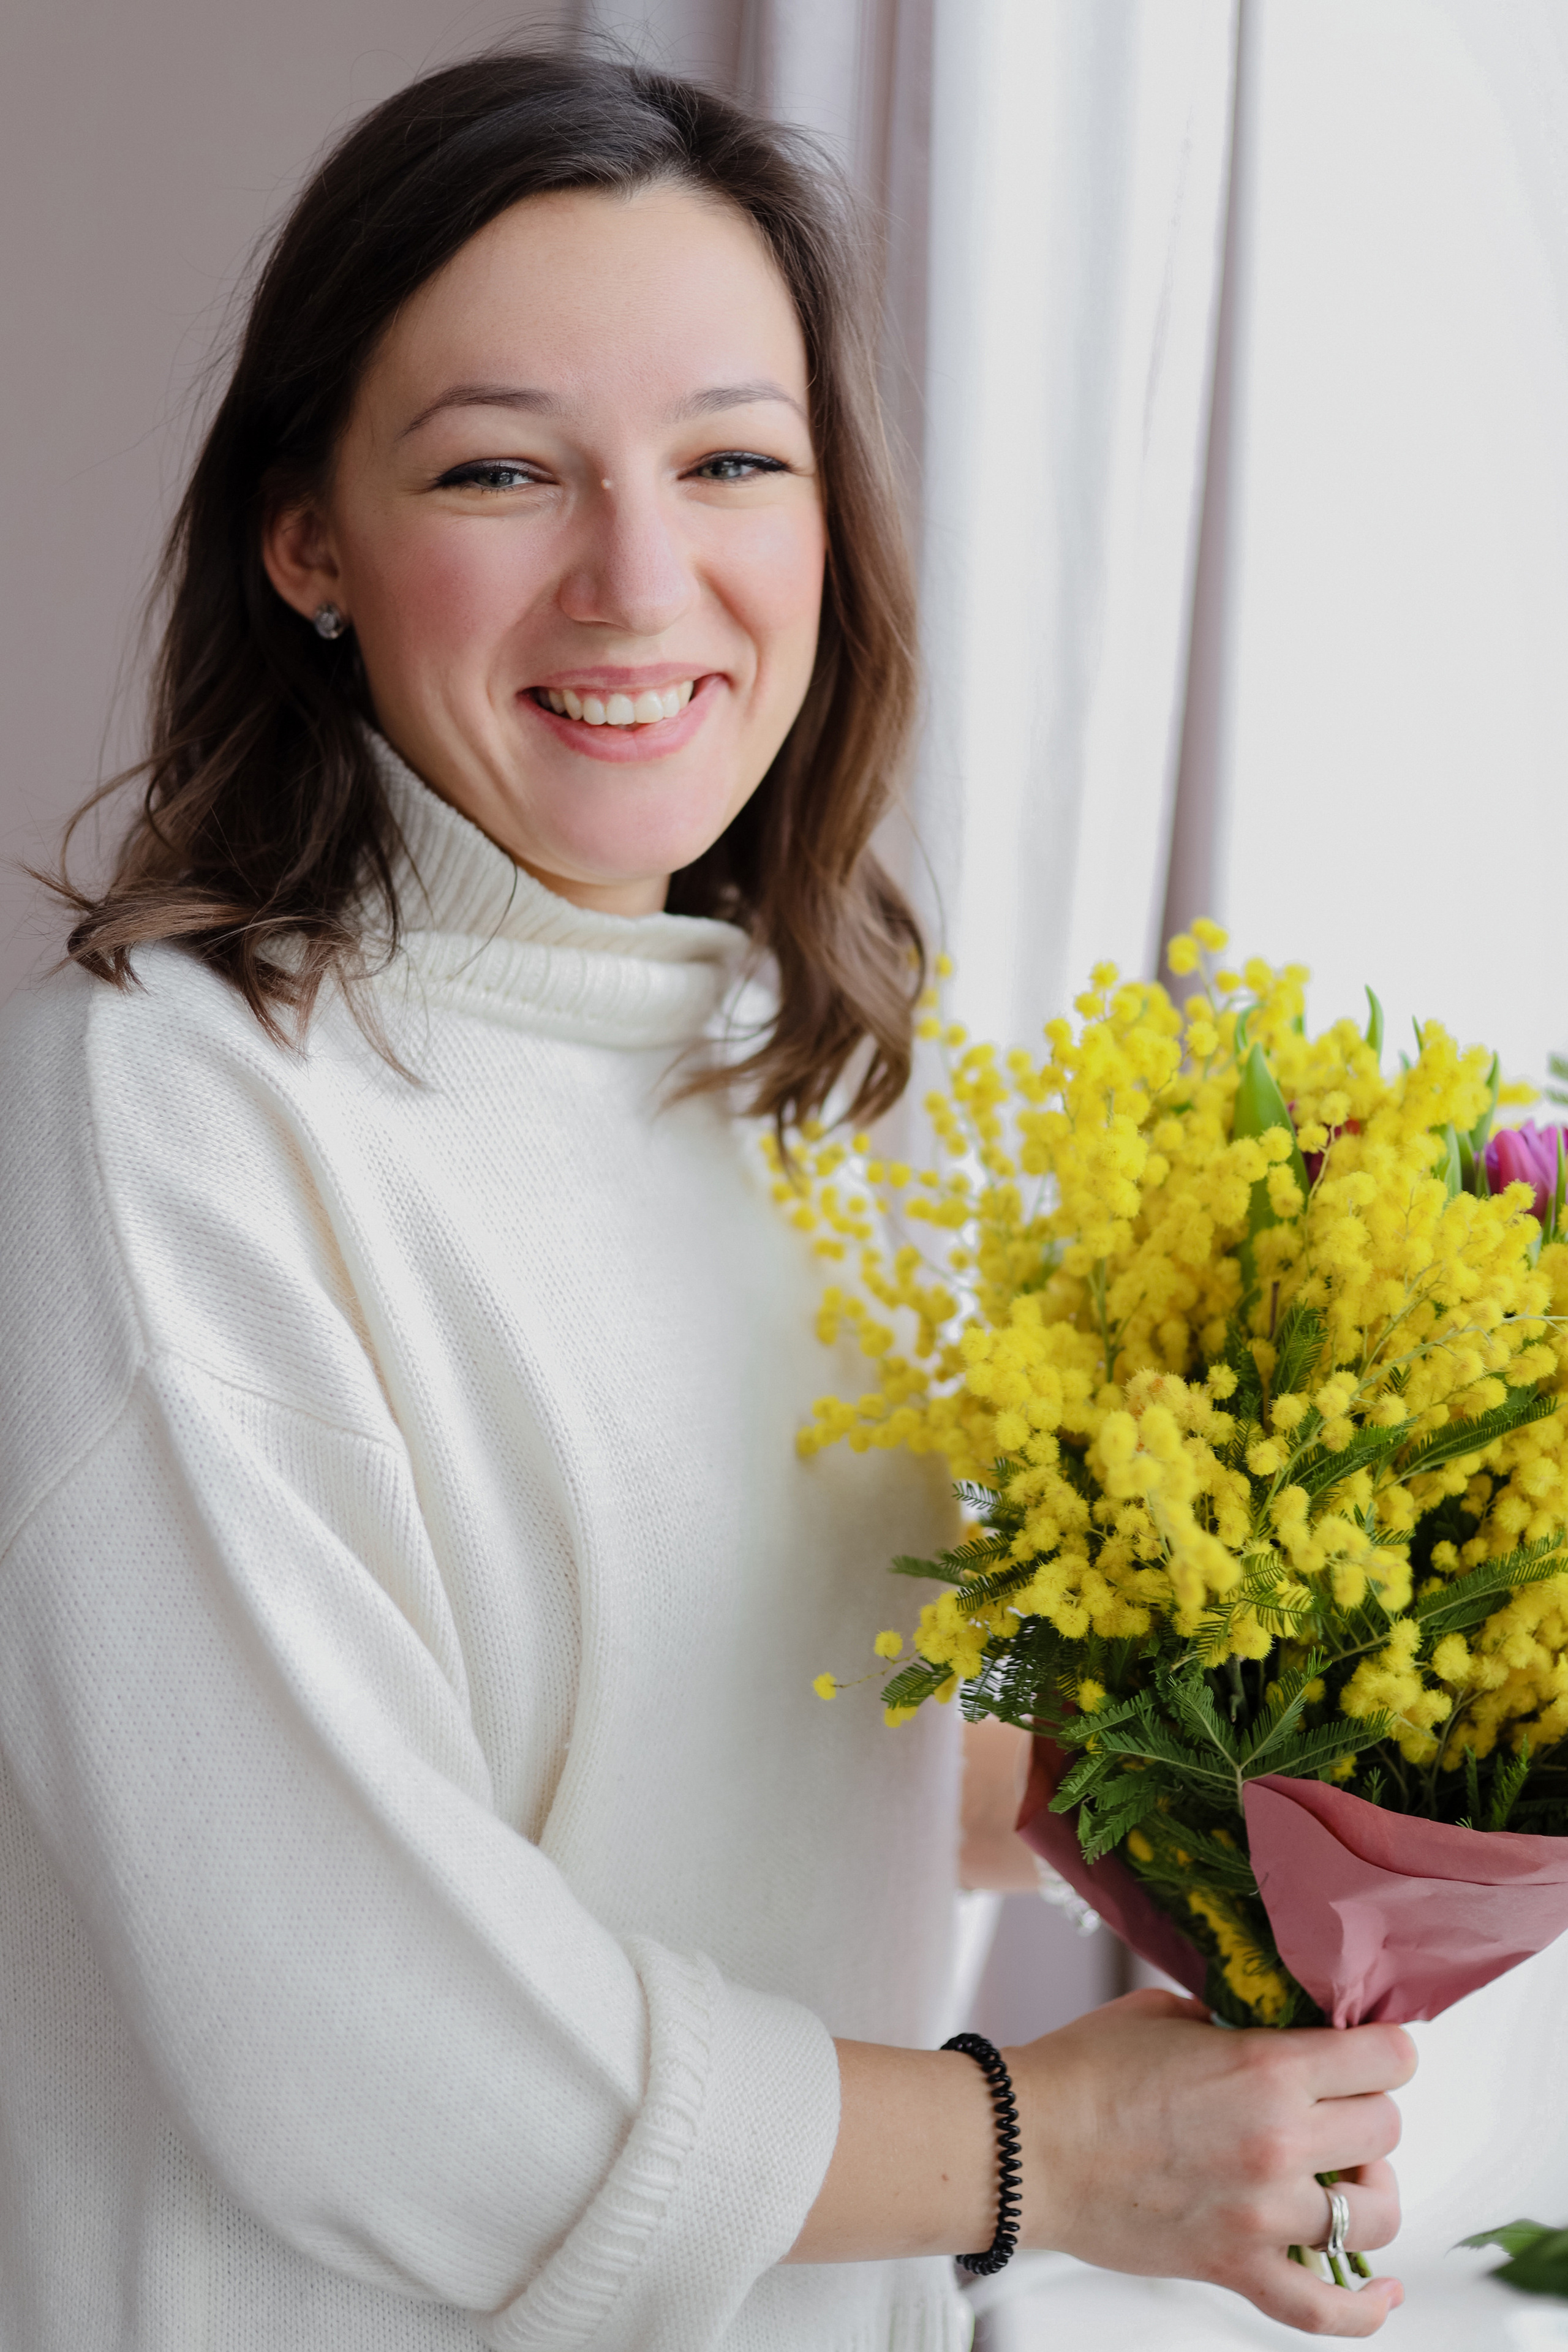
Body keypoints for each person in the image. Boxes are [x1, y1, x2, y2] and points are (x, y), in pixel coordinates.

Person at [0, 49, 1414, 2352]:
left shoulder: (834, 1106)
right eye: (500, 470)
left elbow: (804, 1743)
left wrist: (1372, 1737)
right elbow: (360, 2045)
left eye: (732, 461)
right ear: (308, 540)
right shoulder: (156, 1125)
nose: (638, 575)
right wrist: (1048, 2151)